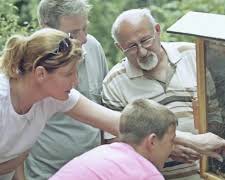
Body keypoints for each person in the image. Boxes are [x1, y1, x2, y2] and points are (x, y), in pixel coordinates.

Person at [102, 8, 225, 180]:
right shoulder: (114, 83)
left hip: (207, 174)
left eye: (145, 40)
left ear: (157, 30)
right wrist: (168, 149)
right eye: (131, 47)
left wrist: (207, 149)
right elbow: (117, 146)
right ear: (119, 47)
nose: (142, 51)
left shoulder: (193, 55)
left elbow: (214, 114)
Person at [0, 28, 120, 180]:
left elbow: (115, 121)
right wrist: (13, 163)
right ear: (40, 74)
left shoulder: (52, 94)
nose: (76, 81)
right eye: (69, 73)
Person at [23, 0, 109, 179]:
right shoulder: (30, 61)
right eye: (73, 33)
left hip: (93, 170)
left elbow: (106, 109)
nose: (83, 38)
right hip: (46, 173)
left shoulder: (93, 47)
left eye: (85, 28)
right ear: (46, 28)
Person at [50, 99, 178, 180]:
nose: (173, 148)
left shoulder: (102, 153)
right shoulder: (146, 174)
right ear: (152, 141)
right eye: (171, 141)